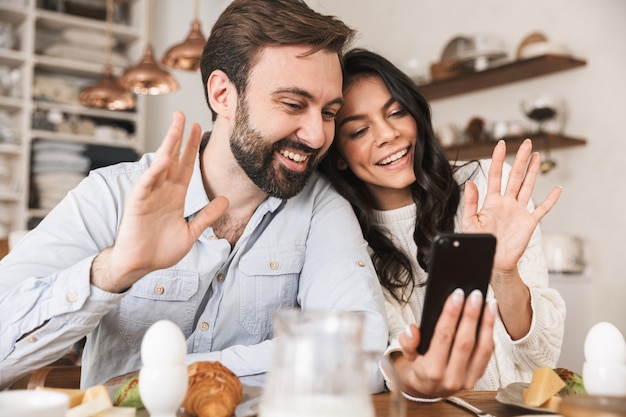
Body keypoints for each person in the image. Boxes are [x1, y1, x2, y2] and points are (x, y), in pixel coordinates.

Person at [0, 1, 389, 391]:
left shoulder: (320, 208)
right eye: (292, 104)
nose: (317, 135)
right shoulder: (113, 194)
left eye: (328, 113)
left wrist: (171, 376)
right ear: (222, 94)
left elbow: (362, 351)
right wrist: (113, 270)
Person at [319, 48, 566, 400]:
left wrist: (504, 274)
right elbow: (392, 368)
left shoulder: (485, 188)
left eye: (396, 112)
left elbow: (541, 356)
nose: (387, 134)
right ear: (338, 156)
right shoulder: (348, 242)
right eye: (359, 130)